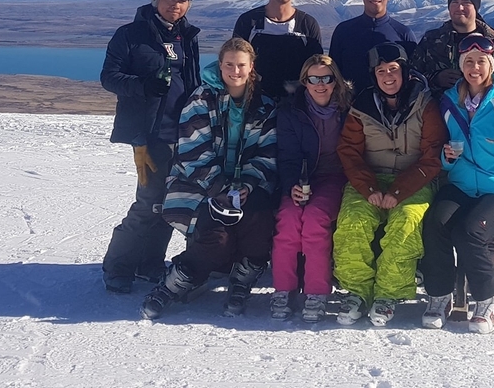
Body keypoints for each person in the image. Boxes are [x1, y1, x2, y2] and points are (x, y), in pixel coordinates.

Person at [142, 37, 279, 320]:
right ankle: (175, 282)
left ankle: (242, 281)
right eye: (229, 64)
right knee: (217, 240)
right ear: (220, 65)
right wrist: (219, 187)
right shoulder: (202, 99)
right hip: (200, 185)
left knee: (260, 224)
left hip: (247, 187)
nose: (235, 71)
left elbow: (268, 151)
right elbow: (193, 150)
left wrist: (248, 185)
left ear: (251, 67)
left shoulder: (265, 105)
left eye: (241, 65)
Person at [421, 34, 494, 334]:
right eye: (469, 62)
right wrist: (446, 157)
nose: (475, 68)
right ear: (461, 65)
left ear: (492, 66)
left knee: (471, 230)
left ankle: (488, 299)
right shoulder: (449, 102)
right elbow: (444, 146)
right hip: (461, 184)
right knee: (435, 221)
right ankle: (440, 294)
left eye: (482, 62)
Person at [99, 0, 201, 294]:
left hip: (182, 132)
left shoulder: (187, 36)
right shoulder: (130, 35)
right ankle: (118, 266)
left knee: (171, 202)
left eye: (183, 1)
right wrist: (143, 86)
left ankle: (150, 263)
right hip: (148, 134)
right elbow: (109, 77)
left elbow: (193, 79)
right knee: (148, 203)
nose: (176, 6)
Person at [333, 42, 446, 326]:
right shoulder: (361, 107)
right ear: (374, 76)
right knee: (352, 221)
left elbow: (432, 156)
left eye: (394, 70)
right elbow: (349, 152)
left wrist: (398, 191)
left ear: (405, 72)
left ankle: (388, 292)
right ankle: (357, 290)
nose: (388, 77)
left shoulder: (426, 104)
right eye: (381, 71)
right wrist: (369, 189)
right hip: (369, 178)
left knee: (406, 223)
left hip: (414, 179)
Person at [268, 54, 352, 322]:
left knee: (315, 220)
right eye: (314, 79)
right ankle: (284, 288)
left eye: (326, 78)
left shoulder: (348, 109)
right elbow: (287, 155)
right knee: (289, 219)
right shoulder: (292, 111)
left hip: (335, 178)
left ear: (335, 80)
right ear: (305, 81)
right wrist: (292, 185)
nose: (321, 85)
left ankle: (316, 291)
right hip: (302, 177)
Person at [232, 0, 323, 100]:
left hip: (297, 106)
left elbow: (317, 70)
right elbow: (235, 64)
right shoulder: (248, 22)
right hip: (255, 105)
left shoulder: (307, 24)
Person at [411, 0, 494, 95]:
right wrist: (435, 79)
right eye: (455, 2)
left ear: (476, 7)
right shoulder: (431, 40)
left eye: (466, 2)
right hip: (439, 111)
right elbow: (411, 76)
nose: (460, 8)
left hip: (484, 111)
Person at [329, 0, 416, 90]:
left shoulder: (404, 34)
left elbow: (413, 77)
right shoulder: (343, 31)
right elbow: (333, 73)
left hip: (392, 107)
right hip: (350, 106)